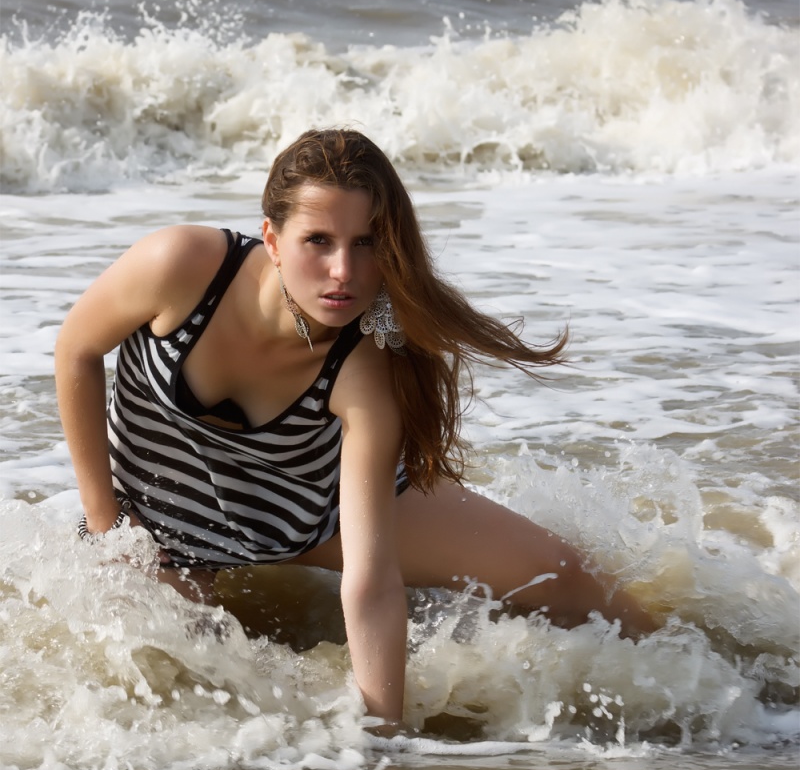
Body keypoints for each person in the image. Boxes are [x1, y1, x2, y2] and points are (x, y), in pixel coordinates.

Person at [56, 128, 652, 733]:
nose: (344, 271)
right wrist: (104, 520)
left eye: (367, 243)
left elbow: (372, 582)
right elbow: (77, 349)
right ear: (273, 238)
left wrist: (381, 740)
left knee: (565, 577)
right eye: (319, 240)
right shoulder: (181, 268)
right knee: (189, 696)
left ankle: (730, 690)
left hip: (305, 518)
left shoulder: (363, 364)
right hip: (159, 531)